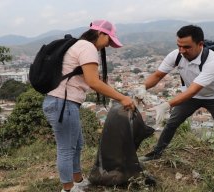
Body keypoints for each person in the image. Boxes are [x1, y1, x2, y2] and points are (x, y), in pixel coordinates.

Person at [137, 25, 214, 182]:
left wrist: (165, 105)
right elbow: (158, 75)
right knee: (172, 123)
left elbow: (192, 90)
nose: (182, 50)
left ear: (200, 44)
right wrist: (143, 87)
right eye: (179, 46)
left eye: (187, 47)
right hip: (191, 97)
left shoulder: (213, 61)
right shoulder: (176, 55)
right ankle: (157, 153)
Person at [42, 20, 135, 192]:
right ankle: (68, 188)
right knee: (66, 148)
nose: (107, 45)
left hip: (63, 102)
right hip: (62, 103)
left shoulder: (79, 45)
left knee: (77, 144)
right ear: (101, 34)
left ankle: (77, 180)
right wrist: (122, 98)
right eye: (109, 39)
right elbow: (94, 82)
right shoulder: (87, 48)